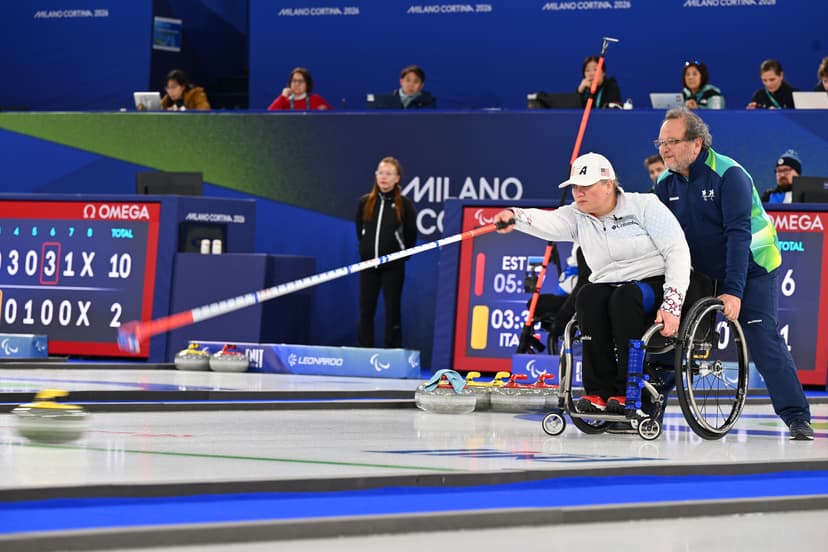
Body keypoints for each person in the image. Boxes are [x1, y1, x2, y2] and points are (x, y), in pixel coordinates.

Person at [653, 107, 813, 440]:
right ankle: (651, 408)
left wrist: (734, 291)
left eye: (671, 142)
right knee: (671, 334)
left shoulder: (730, 174)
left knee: (762, 337)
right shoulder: (665, 183)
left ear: (696, 144)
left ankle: (797, 416)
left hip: (753, 265)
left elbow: (739, 235)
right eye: (660, 143)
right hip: (701, 269)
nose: (664, 149)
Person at [493, 152, 691, 414]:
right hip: (610, 285)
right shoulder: (577, 215)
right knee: (587, 296)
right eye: (575, 187)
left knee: (625, 298)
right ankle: (598, 392)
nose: (578, 193)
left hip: (653, 282)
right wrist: (514, 216)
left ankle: (630, 391)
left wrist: (673, 304)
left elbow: (677, 251)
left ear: (609, 184)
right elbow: (549, 221)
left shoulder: (645, 206)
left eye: (586, 186)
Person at [355, 156, 417, 348]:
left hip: (393, 268)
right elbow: (360, 231)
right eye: (381, 173)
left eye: (389, 174)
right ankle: (364, 351)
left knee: (392, 310)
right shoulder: (365, 202)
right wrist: (367, 252)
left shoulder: (404, 205)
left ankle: (392, 351)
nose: (384, 177)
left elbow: (411, 235)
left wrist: (400, 256)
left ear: (397, 178)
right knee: (366, 310)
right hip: (368, 266)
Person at [267, 67, 332, 111]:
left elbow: (333, 118)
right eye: (294, 80)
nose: (297, 84)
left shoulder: (316, 99)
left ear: (307, 84)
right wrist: (282, 97)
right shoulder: (284, 101)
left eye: (301, 81)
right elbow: (268, 117)